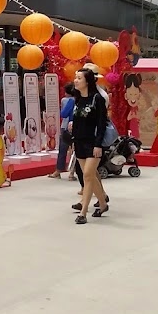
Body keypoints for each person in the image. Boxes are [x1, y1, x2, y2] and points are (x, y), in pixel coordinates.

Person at [70, 68, 110, 224]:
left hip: (93, 144)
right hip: (79, 141)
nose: (76, 80)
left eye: (79, 78)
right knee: (91, 176)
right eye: (76, 77)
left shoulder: (97, 99)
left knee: (87, 175)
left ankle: (83, 212)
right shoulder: (78, 98)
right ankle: (103, 203)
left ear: (88, 81)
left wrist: (98, 144)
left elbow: (101, 124)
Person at [49, 83, 77, 179]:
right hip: (78, 127)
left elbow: (63, 114)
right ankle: (72, 173)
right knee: (75, 151)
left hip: (66, 127)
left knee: (63, 149)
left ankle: (58, 170)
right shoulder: (82, 99)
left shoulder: (67, 101)